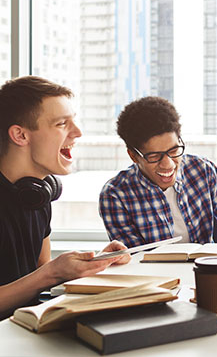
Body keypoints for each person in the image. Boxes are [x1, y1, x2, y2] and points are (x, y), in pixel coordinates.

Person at [0, 76, 130, 320]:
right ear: (20, 135)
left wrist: (94, 263)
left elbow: (40, 276)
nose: (78, 132)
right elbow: (45, 275)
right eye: (61, 124)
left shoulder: (36, 195)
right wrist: (52, 273)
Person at [99, 96, 217, 248]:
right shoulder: (115, 195)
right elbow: (134, 258)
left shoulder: (204, 170)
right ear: (133, 156)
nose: (168, 164)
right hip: (156, 272)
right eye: (154, 156)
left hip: (209, 268)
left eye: (174, 150)